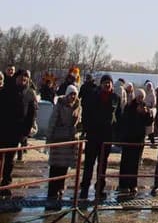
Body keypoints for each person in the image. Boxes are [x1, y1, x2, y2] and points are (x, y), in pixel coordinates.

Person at [79, 73, 122, 201]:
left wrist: (117, 134)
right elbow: (86, 113)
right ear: (101, 84)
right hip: (93, 134)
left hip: (107, 136)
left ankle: (99, 189)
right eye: (105, 82)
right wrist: (86, 129)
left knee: (102, 165)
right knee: (89, 164)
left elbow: (118, 116)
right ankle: (84, 189)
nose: (107, 85)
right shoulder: (93, 95)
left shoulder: (115, 98)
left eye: (109, 82)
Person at [0, 69, 37, 196]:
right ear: (16, 78)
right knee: (0, 157)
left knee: (10, 159)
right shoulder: (6, 90)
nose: (23, 79)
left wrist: (25, 133)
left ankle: (6, 183)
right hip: (3, 128)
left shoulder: (30, 93)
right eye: (21, 77)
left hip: (16, 131)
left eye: (25, 78)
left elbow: (31, 114)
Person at [46, 85, 81, 202]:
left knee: (64, 166)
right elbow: (52, 120)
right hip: (59, 138)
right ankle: (52, 190)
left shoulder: (78, 106)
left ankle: (60, 188)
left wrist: (78, 134)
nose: (73, 96)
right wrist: (49, 137)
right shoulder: (60, 105)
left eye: (75, 94)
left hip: (70, 140)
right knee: (55, 166)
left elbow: (79, 122)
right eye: (71, 94)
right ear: (67, 94)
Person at [118, 89, 152, 195]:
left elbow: (149, 122)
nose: (140, 98)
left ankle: (133, 185)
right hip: (128, 138)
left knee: (135, 163)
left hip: (139, 139)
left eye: (142, 97)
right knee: (125, 162)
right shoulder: (129, 106)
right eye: (139, 96)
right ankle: (123, 184)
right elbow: (125, 121)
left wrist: (146, 114)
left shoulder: (145, 107)